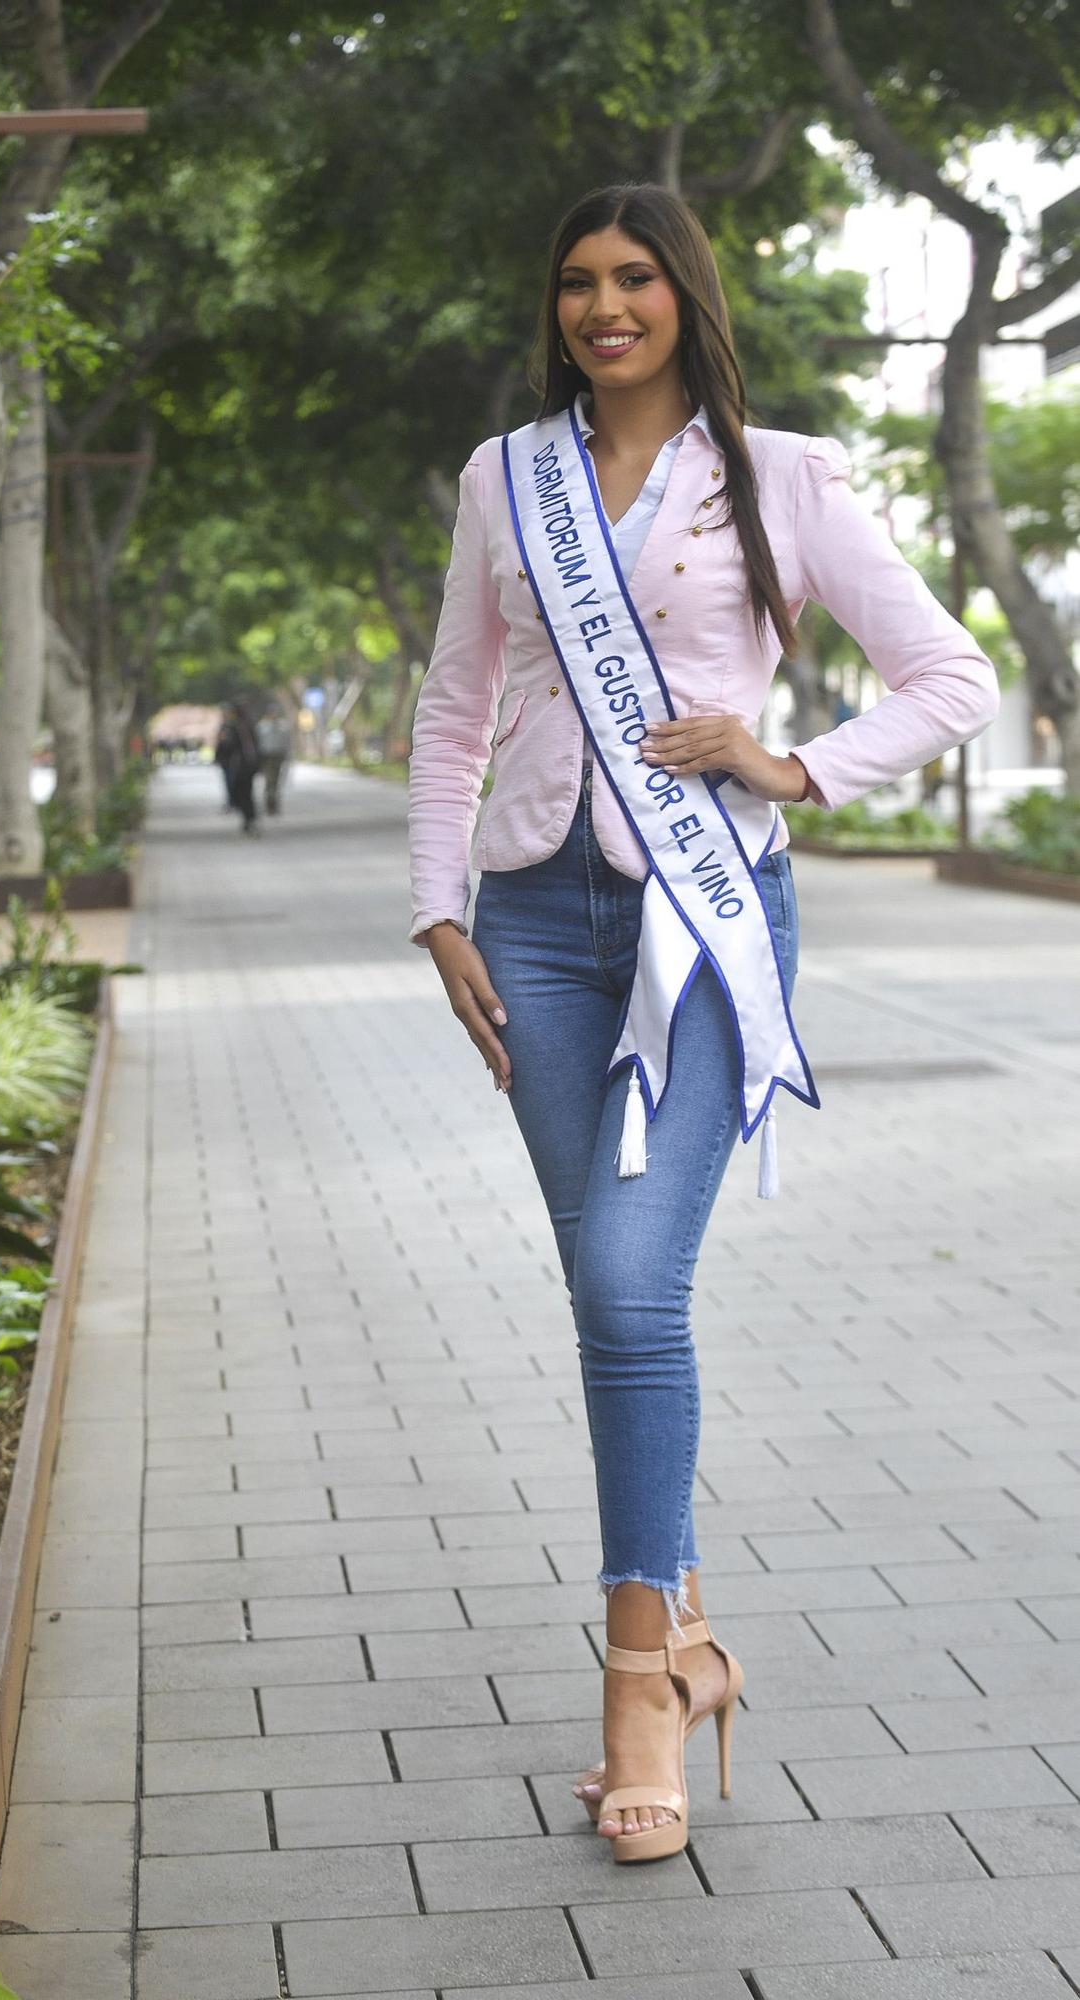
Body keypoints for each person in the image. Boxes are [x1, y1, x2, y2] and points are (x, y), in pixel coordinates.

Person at [407, 182, 998, 1867]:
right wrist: (436, 905)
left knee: (622, 1282)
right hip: (526, 916)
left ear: (683, 295)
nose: (604, 306)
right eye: (579, 282)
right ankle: (676, 1636)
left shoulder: (781, 473)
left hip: (694, 924)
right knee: (608, 1311)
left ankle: (636, 1685)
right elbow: (453, 702)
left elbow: (943, 678)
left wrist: (786, 760)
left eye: (634, 278)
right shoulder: (499, 478)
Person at [216, 699, 261, 835]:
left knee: (243, 793)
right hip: (240, 766)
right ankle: (248, 818)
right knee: (242, 793)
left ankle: (249, 819)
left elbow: (230, 746)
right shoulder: (238, 726)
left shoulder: (237, 727)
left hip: (242, 766)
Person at [254, 704, 291, 815]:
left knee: (276, 782)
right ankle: (269, 805)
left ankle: (275, 805)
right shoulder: (262, 726)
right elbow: (258, 743)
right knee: (269, 781)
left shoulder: (283, 726)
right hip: (266, 757)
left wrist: (288, 757)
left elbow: (286, 743)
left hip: (278, 756)